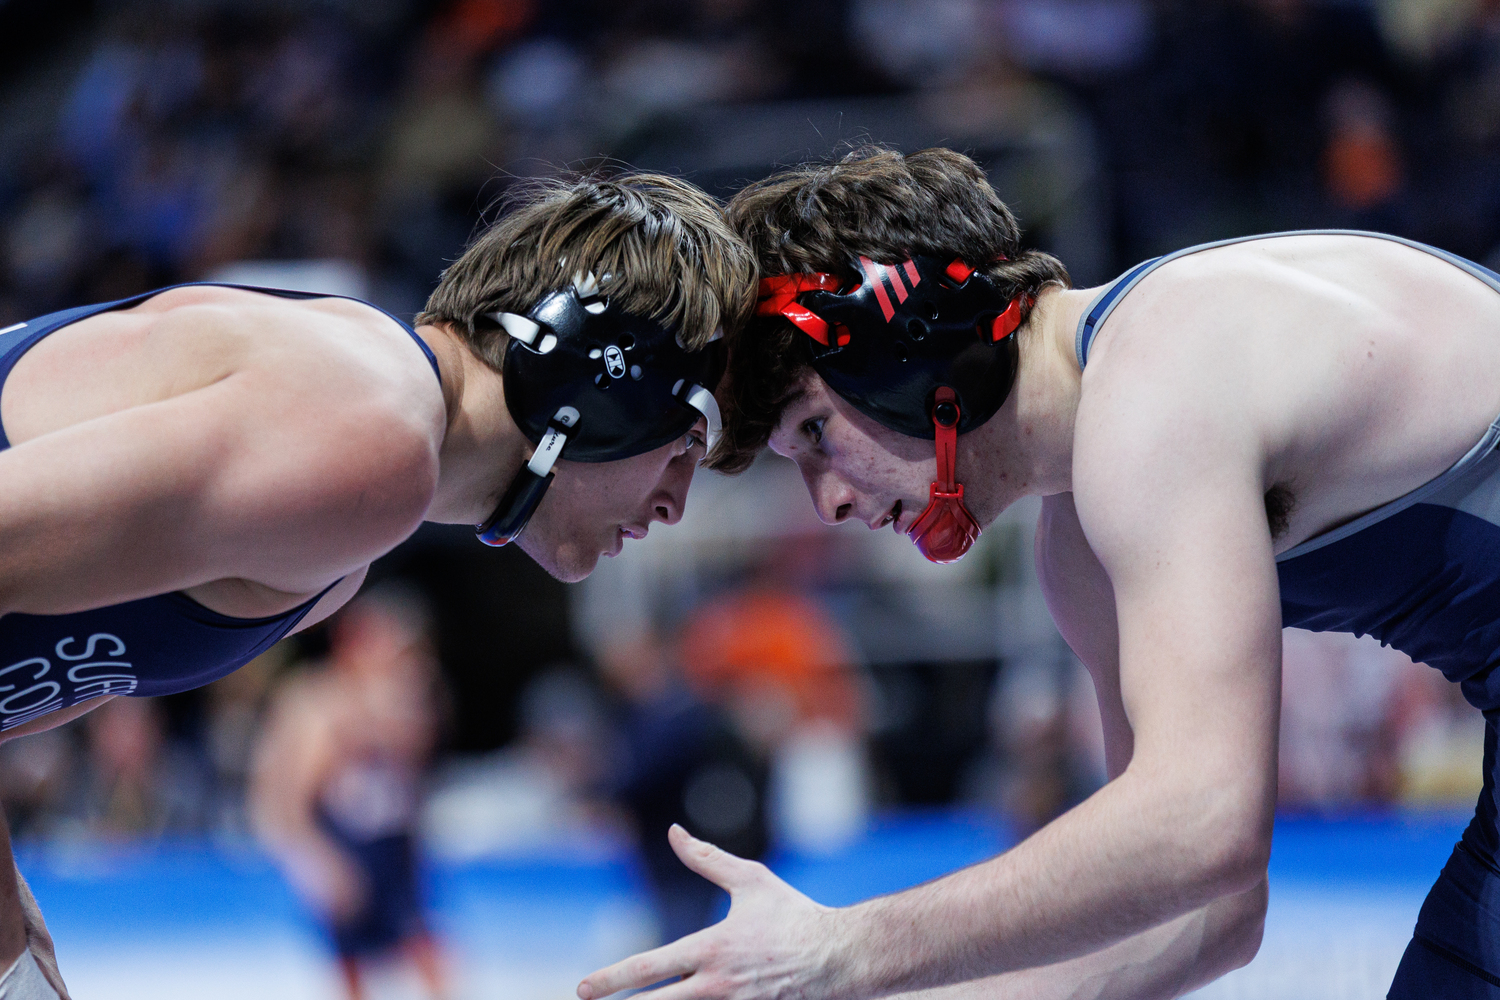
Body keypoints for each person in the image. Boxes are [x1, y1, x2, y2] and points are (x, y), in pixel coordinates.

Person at [575, 145, 1500, 1000]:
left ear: (905, 345)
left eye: (816, 432)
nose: (830, 505)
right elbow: (1198, 912)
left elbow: (1203, 824)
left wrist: (846, 947)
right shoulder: (1083, 543)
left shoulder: (1158, 384)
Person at [0, 171, 755, 1000]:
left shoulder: (341, 546)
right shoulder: (364, 434)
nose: (676, 504)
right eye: (688, 441)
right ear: (604, 382)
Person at [250, 590, 447, 1000]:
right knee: (354, 957)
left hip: (391, 844)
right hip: (343, 845)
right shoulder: (316, 703)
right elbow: (285, 797)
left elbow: (414, 760)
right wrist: (316, 861)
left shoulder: (398, 697)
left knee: (420, 941)